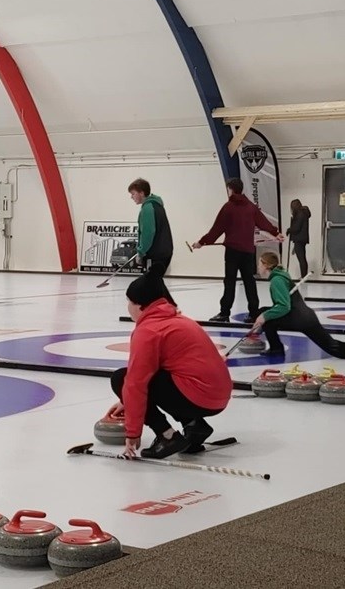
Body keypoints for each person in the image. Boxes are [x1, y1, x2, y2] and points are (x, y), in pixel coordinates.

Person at [107, 275, 233, 459]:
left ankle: (167, 436)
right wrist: (125, 400)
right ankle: (194, 426)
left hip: (199, 397)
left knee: (121, 378)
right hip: (219, 396)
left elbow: (135, 384)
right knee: (157, 378)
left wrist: (133, 433)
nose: (127, 307)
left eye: (129, 302)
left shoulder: (148, 331)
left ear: (140, 305)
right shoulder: (179, 320)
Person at [251, 252, 345, 362]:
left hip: (299, 319)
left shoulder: (277, 280)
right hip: (304, 315)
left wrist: (264, 317)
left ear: (266, 266)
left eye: (259, 264)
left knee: (334, 348)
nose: (258, 267)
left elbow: (283, 306)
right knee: (334, 346)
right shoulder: (281, 276)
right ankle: (276, 348)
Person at [193, 178, 284, 322]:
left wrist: (202, 242)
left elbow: (216, 229)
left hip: (233, 251)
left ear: (230, 189)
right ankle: (254, 313)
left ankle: (224, 313)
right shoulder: (251, 207)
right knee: (249, 281)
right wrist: (276, 233)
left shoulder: (228, 207)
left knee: (229, 281)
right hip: (248, 251)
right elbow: (263, 222)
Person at [128, 178, 176, 305]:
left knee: (151, 281)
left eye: (133, 194)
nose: (131, 197)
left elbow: (148, 233)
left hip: (155, 253)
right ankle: (167, 306)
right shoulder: (156, 205)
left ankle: (168, 307)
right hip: (164, 251)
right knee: (155, 281)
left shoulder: (148, 208)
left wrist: (141, 251)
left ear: (141, 193)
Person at [285, 199, 311, 278]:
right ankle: (304, 275)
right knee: (302, 258)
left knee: (301, 259)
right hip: (302, 239)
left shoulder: (299, 214)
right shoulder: (303, 213)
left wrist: (289, 230)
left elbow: (296, 228)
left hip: (299, 239)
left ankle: (303, 276)